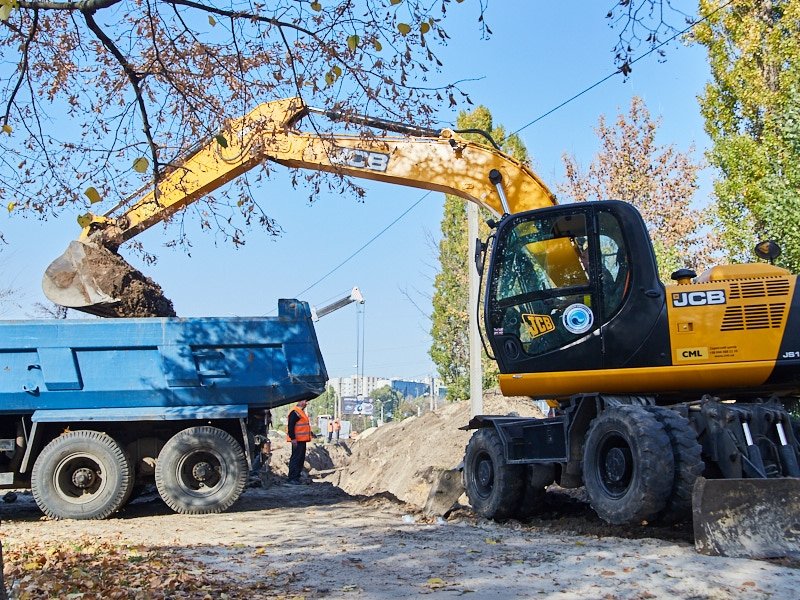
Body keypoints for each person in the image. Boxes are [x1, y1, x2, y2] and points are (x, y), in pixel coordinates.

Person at [286, 399, 312, 485]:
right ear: (300, 402)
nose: (306, 403)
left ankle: (296, 477)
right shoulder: (295, 412)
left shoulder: (301, 412)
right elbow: (291, 425)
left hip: (301, 440)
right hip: (297, 440)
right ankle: (292, 478)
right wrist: (293, 438)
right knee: (296, 458)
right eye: (304, 401)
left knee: (300, 459)